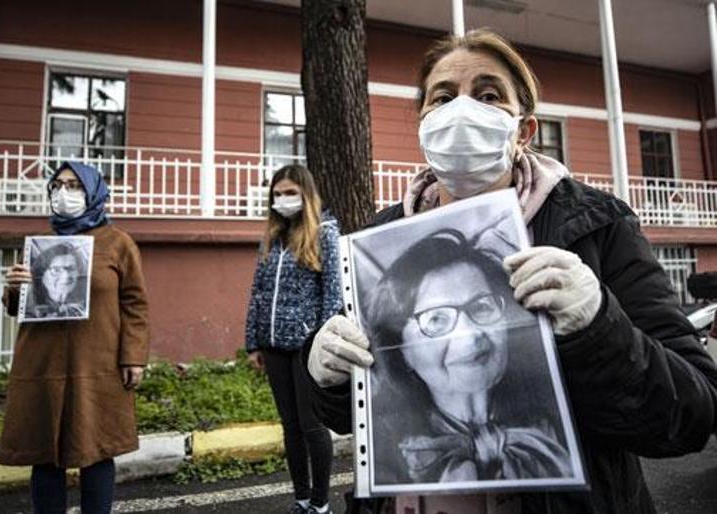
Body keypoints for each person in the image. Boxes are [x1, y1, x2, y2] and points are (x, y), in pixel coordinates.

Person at [303, 29, 717, 513]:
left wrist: (599, 326)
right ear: (423, 124)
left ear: (523, 130)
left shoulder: (596, 225)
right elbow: (366, 408)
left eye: (488, 95)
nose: (462, 110)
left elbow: (693, 413)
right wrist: (329, 377)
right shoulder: (383, 238)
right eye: (442, 97)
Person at [0, 161, 149, 514]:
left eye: (74, 185)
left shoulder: (117, 243)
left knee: (96, 450)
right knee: (45, 452)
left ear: (94, 191)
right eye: (58, 185)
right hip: (43, 363)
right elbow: (19, 306)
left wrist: (134, 357)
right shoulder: (43, 245)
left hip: (97, 363)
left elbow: (135, 303)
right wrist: (13, 287)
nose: (65, 193)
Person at [368, 228, 571, 485]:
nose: (470, 334)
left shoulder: (557, 411)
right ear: (402, 351)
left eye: (482, 307)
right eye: (437, 319)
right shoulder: (384, 449)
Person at [244, 163, 343, 514]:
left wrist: (321, 344)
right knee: (290, 427)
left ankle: (320, 503)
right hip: (273, 346)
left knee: (311, 426)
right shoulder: (272, 237)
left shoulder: (325, 234)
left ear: (306, 194)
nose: (283, 200)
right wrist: (253, 342)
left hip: (306, 349)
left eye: (290, 193)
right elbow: (257, 292)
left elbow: (333, 295)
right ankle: (301, 499)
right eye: (277, 194)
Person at [27, 241, 89, 319]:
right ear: (41, 275)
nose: (65, 276)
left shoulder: (83, 307)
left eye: (71, 269)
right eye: (56, 270)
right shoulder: (31, 307)